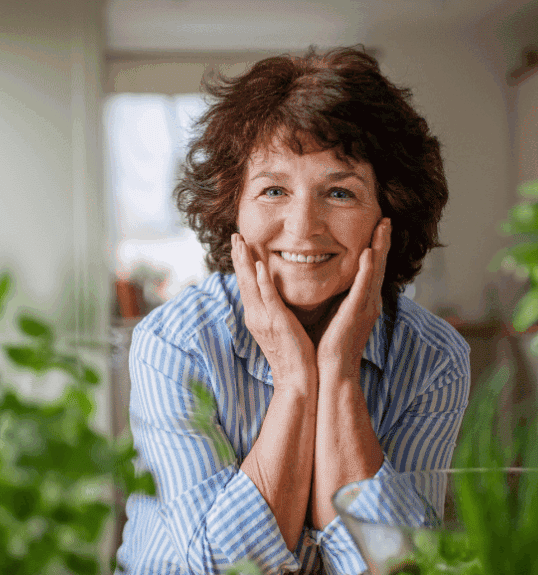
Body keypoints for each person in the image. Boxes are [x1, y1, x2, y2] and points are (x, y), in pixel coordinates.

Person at [116, 45, 470, 575]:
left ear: (389, 211)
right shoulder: (175, 344)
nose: (303, 228)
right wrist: (296, 380)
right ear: (231, 207)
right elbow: (224, 569)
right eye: (274, 189)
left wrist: (341, 374)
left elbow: (398, 568)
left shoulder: (434, 358)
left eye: (341, 193)